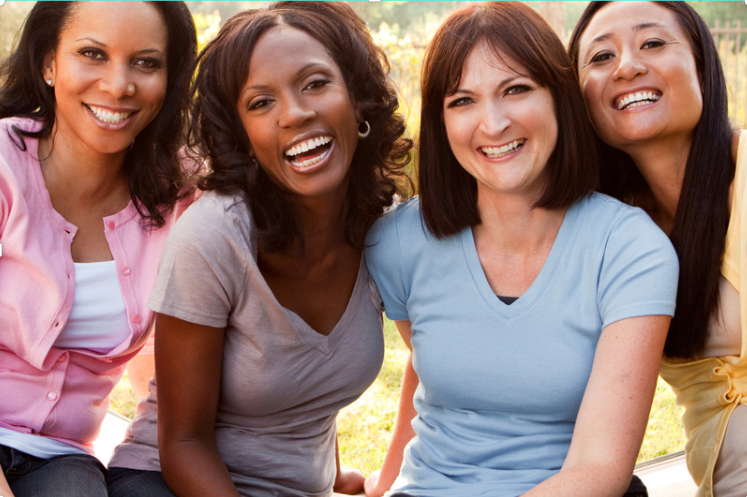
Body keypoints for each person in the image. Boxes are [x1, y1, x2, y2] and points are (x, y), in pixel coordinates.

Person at [363, 2, 679, 496]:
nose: (493, 124)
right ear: (441, 123)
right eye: (463, 101)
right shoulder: (398, 243)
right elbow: (430, 370)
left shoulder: (631, 248)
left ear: (559, 100)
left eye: (515, 90)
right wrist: (383, 486)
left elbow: (600, 469)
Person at [106, 2, 413, 496]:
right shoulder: (214, 237)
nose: (295, 113)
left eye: (315, 83)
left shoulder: (387, 229)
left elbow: (434, 364)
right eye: (260, 102)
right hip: (170, 481)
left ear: (358, 101)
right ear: (242, 136)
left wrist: (352, 477)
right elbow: (183, 443)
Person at [0, 2, 197, 496]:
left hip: (62, 455)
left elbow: (170, 346)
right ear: (48, 63)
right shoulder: (4, 165)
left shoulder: (184, 193)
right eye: (92, 53)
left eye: (146, 62)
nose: (118, 85)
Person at [569, 2, 747, 496]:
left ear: (703, 71)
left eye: (652, 43)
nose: (627, 65)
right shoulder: (608, 233)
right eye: (601, 57)